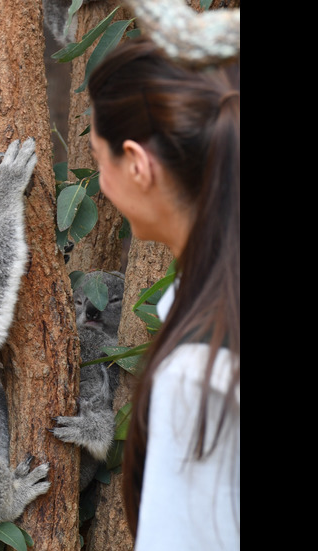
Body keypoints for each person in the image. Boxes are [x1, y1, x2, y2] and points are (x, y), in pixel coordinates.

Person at [87, 38, 239, 549]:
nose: (100, 179)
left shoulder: (198, 377)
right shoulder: (208, 301)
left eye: (96, 157)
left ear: (136, 163)